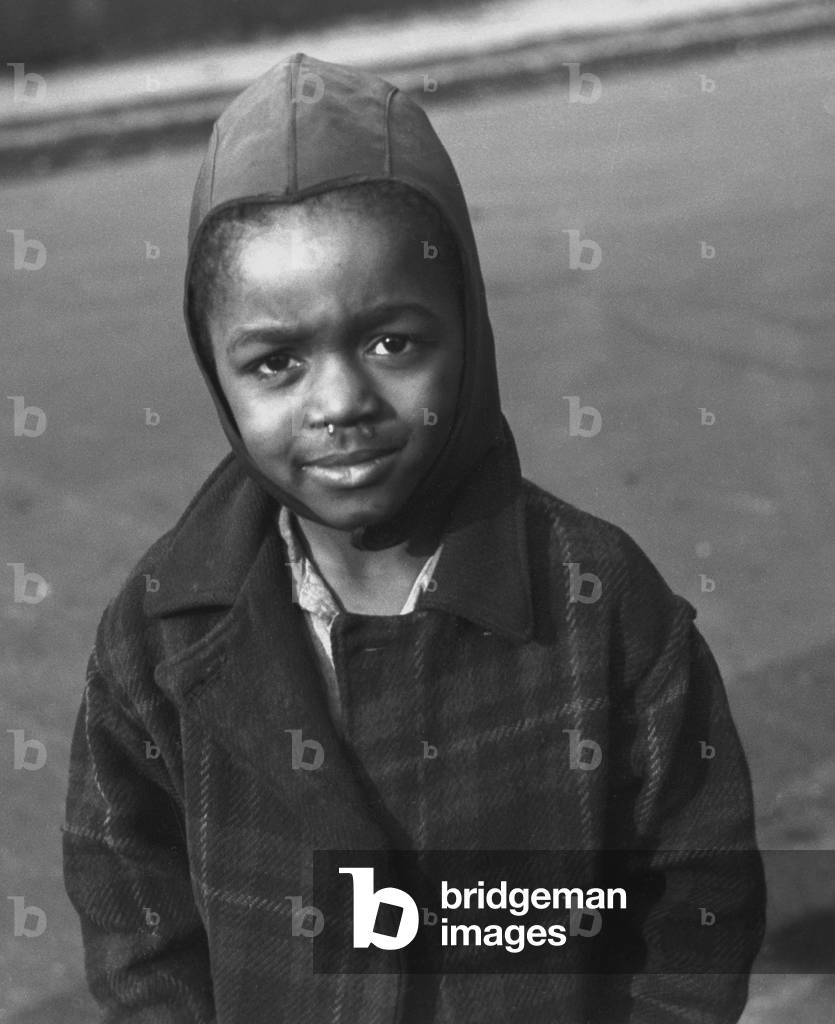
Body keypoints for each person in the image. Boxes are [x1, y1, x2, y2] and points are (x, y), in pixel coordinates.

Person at [62, 53, 766, 1023]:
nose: (341, 402)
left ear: (466, 328)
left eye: (392, 341)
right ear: (216, 375)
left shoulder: (603, 608)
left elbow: (696, 905)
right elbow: (136, 919)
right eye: (275, 362)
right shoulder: (158, 635)